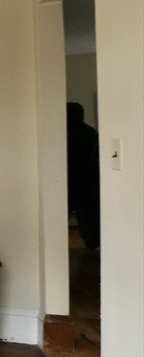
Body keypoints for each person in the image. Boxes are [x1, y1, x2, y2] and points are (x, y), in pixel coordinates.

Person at [66, 102, 100, 249]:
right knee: (87, 217)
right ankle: (91, 245)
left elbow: (82, 160)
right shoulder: (87, 133)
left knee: (88, 217)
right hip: (79, 180)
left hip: (82, 181)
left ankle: (92, 245)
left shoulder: (85, 134)